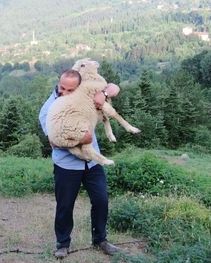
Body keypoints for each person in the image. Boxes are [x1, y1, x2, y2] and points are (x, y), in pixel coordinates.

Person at [39, 69, 120, 259]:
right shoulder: (49, 108)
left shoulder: (84, 95)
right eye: (62, 88)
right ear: (58, 84)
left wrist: (104, 94)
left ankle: (100, 239)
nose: (65, 93)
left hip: (92, 163)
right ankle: (63, 244)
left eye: (70, 90)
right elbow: (53, 140)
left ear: (79, 87)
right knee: (65, 206)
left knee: (101, 200)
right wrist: (84, 138)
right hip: (67, 166)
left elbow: (114, 87)